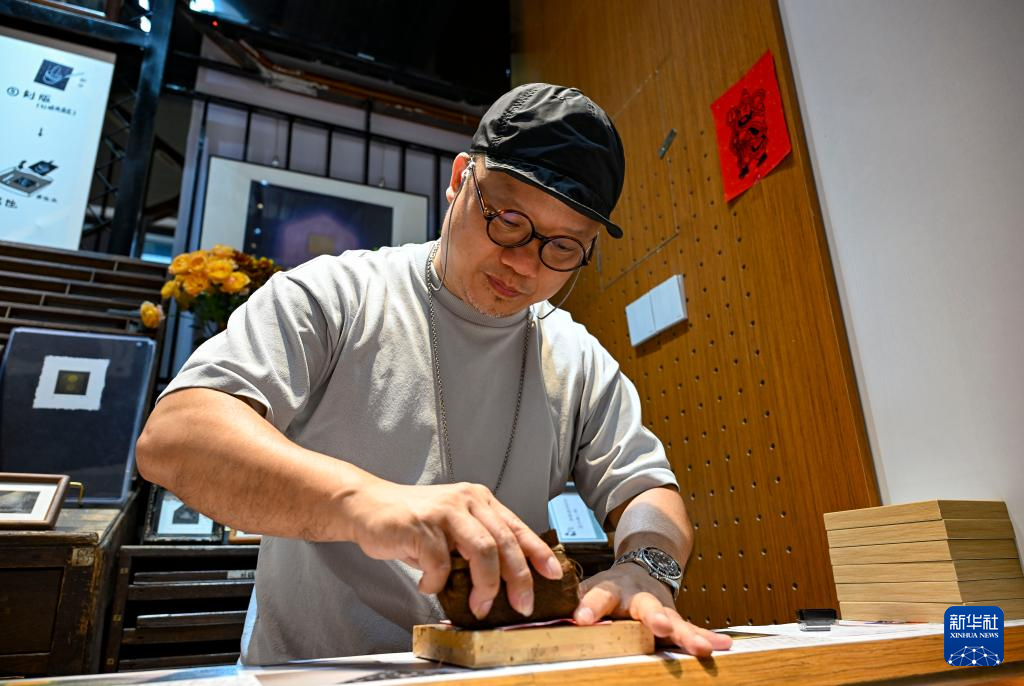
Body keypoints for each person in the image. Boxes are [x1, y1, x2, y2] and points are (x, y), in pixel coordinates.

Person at [136, 83, 733, 665]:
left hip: (491, 673)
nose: (524, 264)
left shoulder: (576, 357)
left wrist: (646, 567)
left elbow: (646, 491)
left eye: (562, 247)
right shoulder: (337, 295)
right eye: (508, 219)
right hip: (314, 673)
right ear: (459, 180)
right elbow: (175, 438)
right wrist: (368, 503)